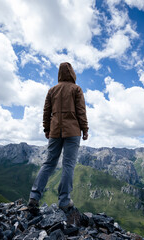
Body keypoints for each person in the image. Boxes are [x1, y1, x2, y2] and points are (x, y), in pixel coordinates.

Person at [28, 62, 89, 213]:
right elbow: (81, 111)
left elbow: (46, 112)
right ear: (72, 73)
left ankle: (34, 197)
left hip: (55, 131)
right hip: (73, 131)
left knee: (49, 163)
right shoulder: (76, 89)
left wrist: (47, 128)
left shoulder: (52, 91)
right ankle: (64, 201)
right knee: (68, 165)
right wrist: (85, 129)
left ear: (59, 74)